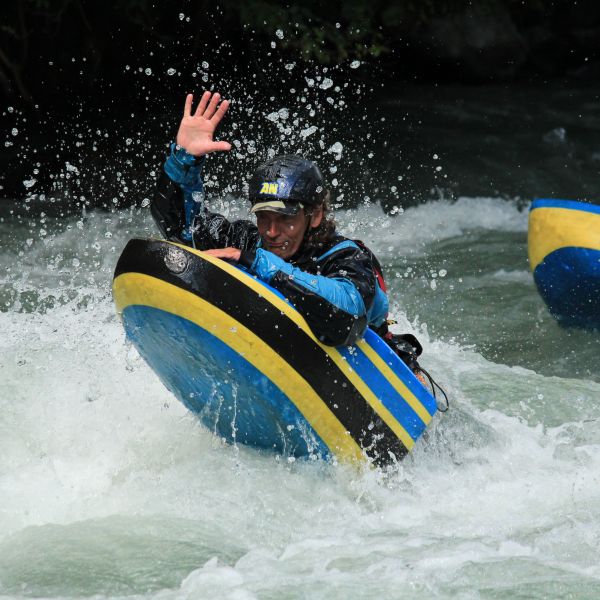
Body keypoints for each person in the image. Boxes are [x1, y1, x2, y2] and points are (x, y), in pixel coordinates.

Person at [151, 90, 390, 347]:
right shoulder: (246, 241)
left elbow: (346, 317)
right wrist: (184, 161)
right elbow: (182, 228)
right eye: (263, 218)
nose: (272, 232)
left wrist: (256, 262)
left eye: (286, 219)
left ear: (316, 214)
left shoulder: (347, 258)